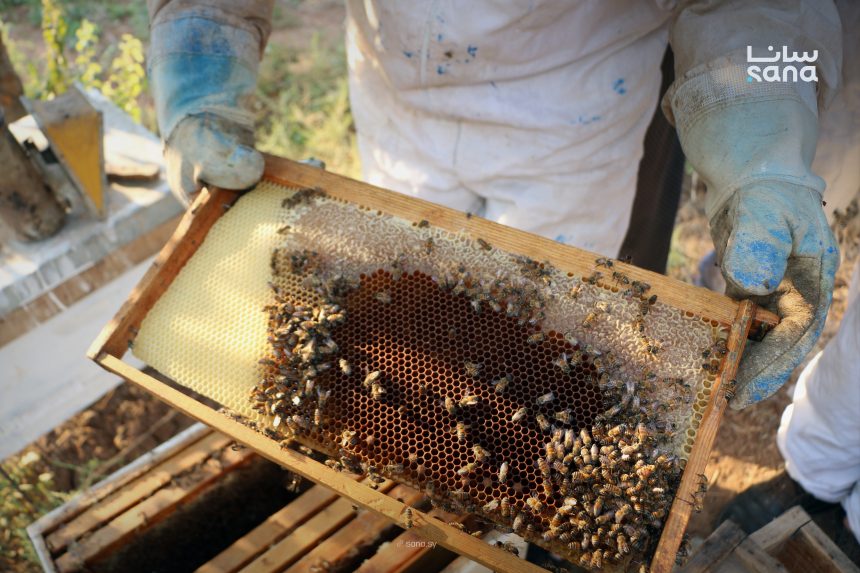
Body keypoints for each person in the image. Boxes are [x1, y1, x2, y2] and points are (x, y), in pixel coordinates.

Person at [146, 0, 858, 542]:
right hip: (397, 94)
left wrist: (762, 132)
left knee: (550, 358)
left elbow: (769, 26)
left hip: (578, 109)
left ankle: (524, 520)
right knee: (397, 328)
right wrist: (200, 26)